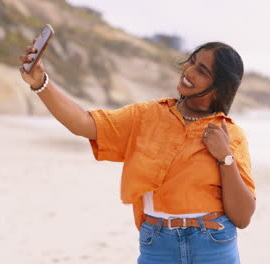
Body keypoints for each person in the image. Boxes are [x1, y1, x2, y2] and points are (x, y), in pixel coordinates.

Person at [19, 41, 256, 264]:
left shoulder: (230, 134)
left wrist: (225, 157)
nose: (188, 70)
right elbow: (83, 123)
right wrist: (41, 83)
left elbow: (243, 217)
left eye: (202, 71)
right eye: (192, 61)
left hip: (213, 244)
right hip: (157, 244)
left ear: (218, 89)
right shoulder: (146, 116)